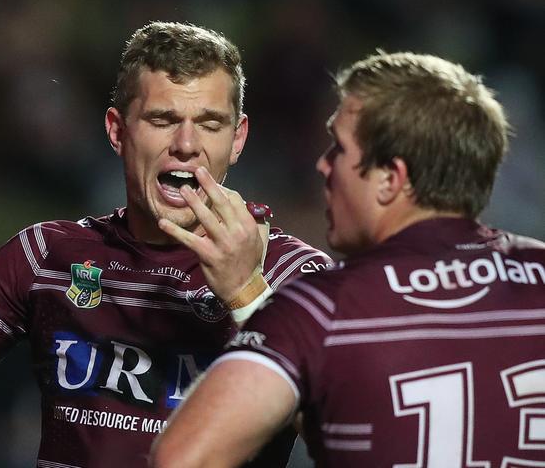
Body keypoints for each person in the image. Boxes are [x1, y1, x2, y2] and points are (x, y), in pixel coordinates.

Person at [0, 21, 332, 467]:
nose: (186, 144)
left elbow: (344, 436)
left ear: (237, 138)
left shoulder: (294, 274)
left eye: (209, 124)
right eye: (163, 120)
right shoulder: (45, 257)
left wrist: (245, 295)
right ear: (117, 131)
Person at [151, 51, 545, 467]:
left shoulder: (323, 307)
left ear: (390, 179)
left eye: (338, 148)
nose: (323, 166)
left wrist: (246, 293)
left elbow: (183, 458)